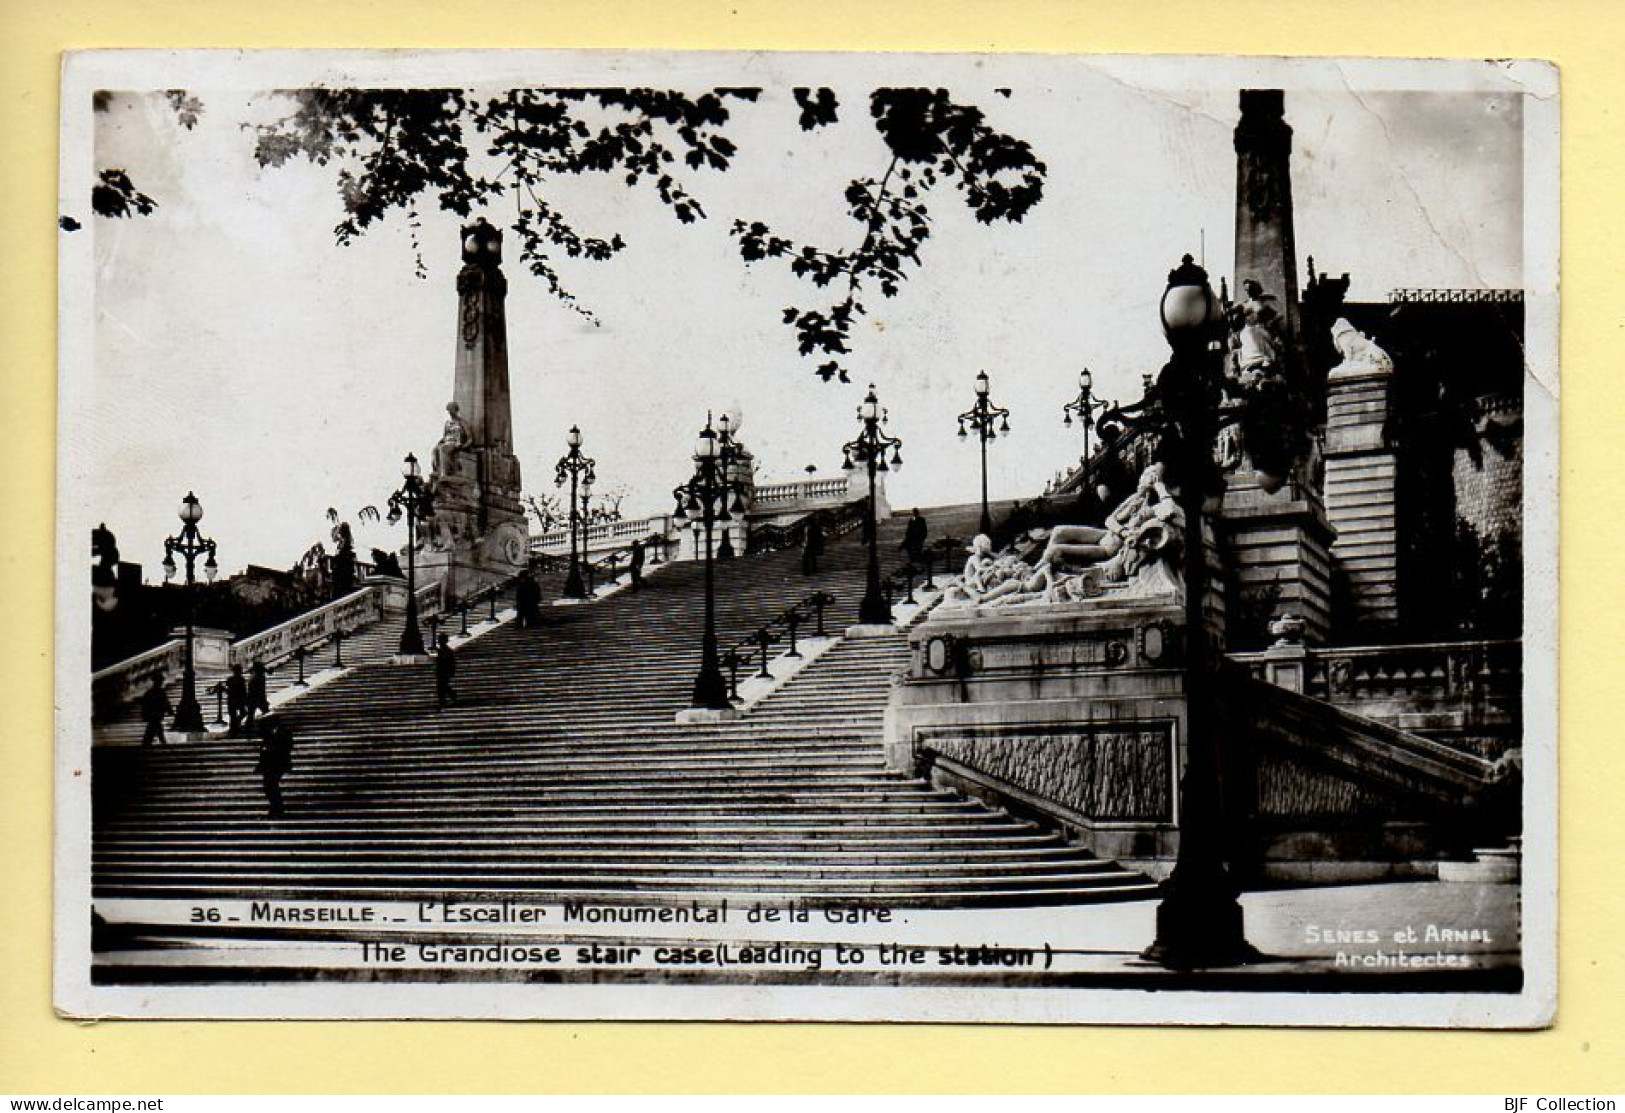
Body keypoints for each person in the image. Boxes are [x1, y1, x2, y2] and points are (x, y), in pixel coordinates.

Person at [255, 716, 295, 818]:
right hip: (270, 765)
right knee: (269, 786)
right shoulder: (269, 734)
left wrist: (271, 749)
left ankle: (277, 808)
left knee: (271, 785)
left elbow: (286, 748)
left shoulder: (282, 733)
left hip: (277, 764)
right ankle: (276, 807)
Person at [140, 677, 171, 747]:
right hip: (156, 713)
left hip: (152, 714)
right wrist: (169, 711)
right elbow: (166, 703)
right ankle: (161, 741)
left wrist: (144, 714)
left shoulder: (150, 692)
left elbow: (144, 704)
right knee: (155, 726)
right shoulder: (160, 692)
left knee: (154, 726)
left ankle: (149, 741)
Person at [246, 660, 270, 734]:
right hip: (258, 698)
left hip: (253, 698)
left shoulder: (253, 677)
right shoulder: (260, 677)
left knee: (250, 715)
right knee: (266, 713)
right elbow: (261, 690)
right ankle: (267, 728)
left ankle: (248, 729)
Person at [225, 663, 249, 736]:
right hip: (238, 699)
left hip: (232, 699)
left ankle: (234, 727)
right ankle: (235, 726)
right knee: (241, 713)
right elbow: (244, 691)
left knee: (234, 715)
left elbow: (229, 690)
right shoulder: (241, 679)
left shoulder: (230, 679)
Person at [435, 633, 458, 709]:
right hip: (441, 672)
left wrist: (450, 671)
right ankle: (445, 699)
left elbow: (451, 662)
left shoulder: (447, 651)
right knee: (442, 687)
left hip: (444, 672)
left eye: (440, 640)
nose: (439, 641)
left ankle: (445, 699)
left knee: (442, 687)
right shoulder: (442, 650)